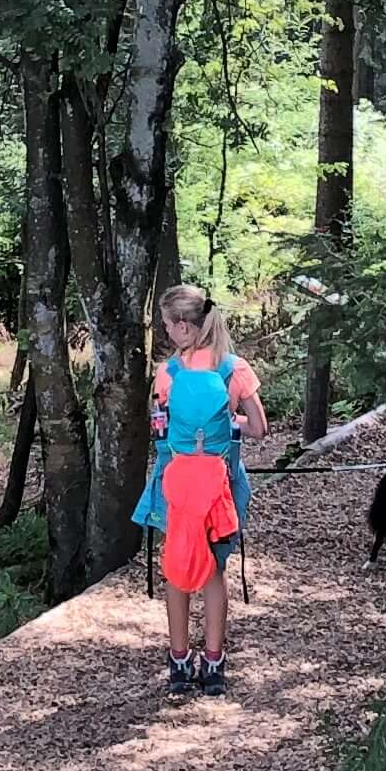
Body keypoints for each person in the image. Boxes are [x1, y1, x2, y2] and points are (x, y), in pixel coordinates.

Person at [132, 282, 263, 697]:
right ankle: (214, 664)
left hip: (177, 483)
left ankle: (178, 662)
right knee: (213, 571)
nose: (168, 333)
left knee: (177, 568)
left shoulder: (168, 374)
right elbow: (260, 429)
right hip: (221, 484)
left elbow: (161, 428)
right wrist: (229, 424)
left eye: (169, 325)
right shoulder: (235, 369)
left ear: (184, 327)